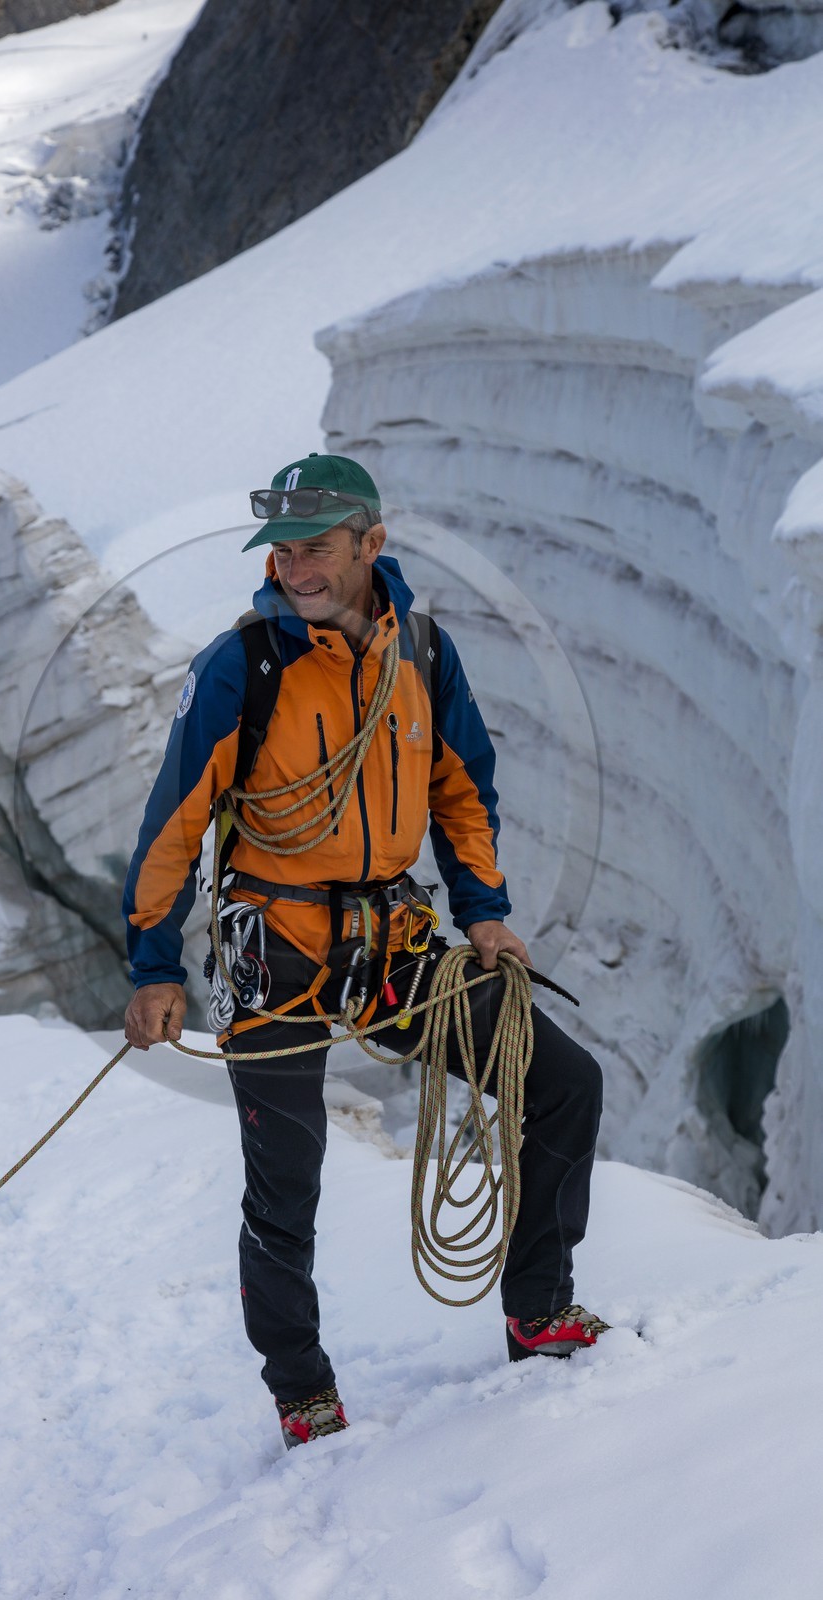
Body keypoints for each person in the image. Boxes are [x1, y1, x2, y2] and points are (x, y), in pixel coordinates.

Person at [122, 453, 606, 1449]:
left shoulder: (421, 653)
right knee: (287, 1177)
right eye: (282, 552)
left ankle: (538, 1308)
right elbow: (173, 822)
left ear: (369, 543)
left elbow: (460, 789)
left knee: (564, 1081)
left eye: (316, 548)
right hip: (274, 952)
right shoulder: (244, 664)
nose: (296, 569)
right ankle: (302, 1389)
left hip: (390, 942)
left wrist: (483, 911)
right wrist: (155, 968)